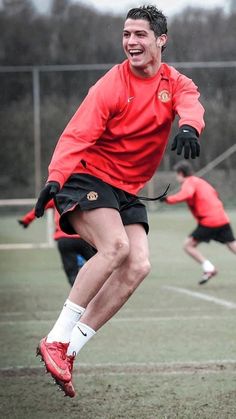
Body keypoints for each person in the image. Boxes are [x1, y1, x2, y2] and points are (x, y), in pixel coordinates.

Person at [34, 5, 205, 397]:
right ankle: (56, 340)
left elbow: (191, 103)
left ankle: (69, 350)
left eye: (140, 34)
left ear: (161, 40)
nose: (131, 42)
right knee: (115, 247)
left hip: (127, 189)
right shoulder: (112, 84)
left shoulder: (175, 81)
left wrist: (189, 127)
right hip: (88, 175)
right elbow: (76, 134)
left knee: (138, 264)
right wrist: (56, 178)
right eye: (127, 34)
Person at [162, 161, 236, 284]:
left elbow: (187, 194)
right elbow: (214, 194)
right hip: (222, 218)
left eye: (177, 174)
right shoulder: (201, 182)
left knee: (188, 245)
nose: (176, 177)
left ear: (181, 173)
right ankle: (209, 269)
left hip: (209, 221)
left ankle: (209, 268)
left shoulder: (189, 182)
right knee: (232, 245)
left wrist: (167, 199)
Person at [18, 200, 97, 286]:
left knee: (72, 273)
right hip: (84, 237)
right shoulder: (82, 191)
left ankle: (79, 296)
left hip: (64, 239)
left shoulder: (57, 195)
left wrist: (27, 220)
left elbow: (40, 206)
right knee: (101, 265)